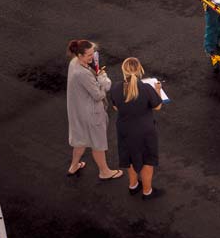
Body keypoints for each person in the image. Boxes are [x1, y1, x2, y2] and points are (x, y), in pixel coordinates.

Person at [65, 39, 121, 181]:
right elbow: (98, 95)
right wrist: (102, 81)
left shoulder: (74, 64)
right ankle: (104, 171)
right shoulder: (82, 73)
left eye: (93, 53)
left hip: (78, 111)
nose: (93, 57)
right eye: (89, 55)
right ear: (80, 55)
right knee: (98, 143)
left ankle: (74, 166)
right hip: (91, 114)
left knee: (81, 140)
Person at [109, 57, 164, 199]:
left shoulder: (115, 87)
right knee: (147, 160)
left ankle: (133, 186)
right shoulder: (146, 88)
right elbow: (157, 106)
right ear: (140, 70)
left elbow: (115, 107)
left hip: (125, 130)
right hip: (144, 131)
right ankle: (147, 191)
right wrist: (157, 90)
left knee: (130, 157)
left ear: (123, 71)